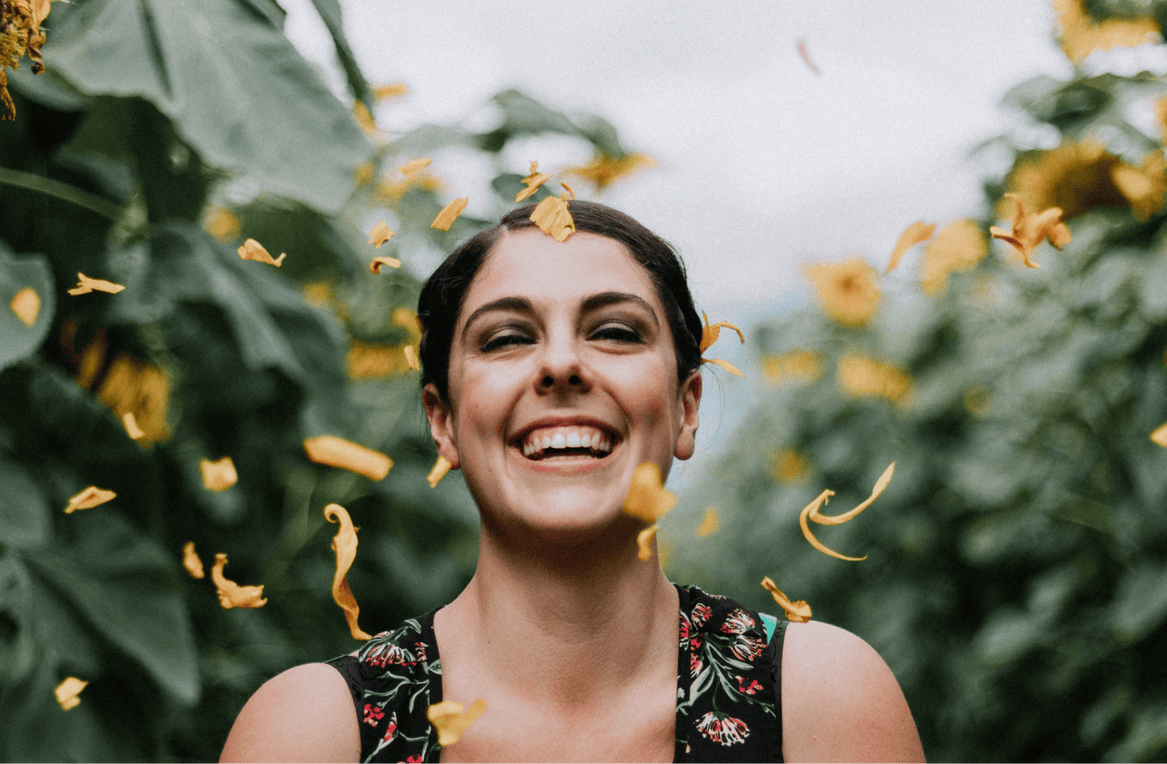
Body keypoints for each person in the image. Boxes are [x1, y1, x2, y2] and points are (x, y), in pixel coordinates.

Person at [220, 201, 925, 763]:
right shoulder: (314, 735)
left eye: (615, 332)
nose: (560, 365)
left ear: (685, 409)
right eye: (506, 338)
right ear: (443, 421)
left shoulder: (819, 701)